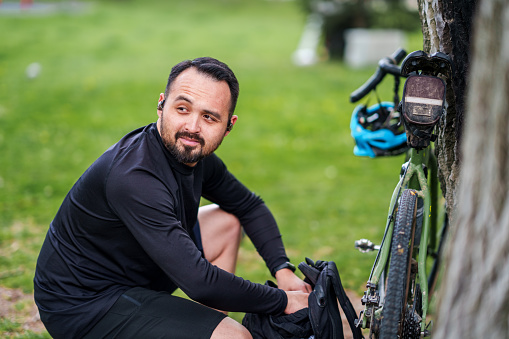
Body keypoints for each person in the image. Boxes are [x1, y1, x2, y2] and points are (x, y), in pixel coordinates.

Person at [34, 57, 311, 339]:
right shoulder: (134, 177)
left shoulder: (196, 157)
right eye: (182, 109)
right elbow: (200, 282)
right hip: (85, 306)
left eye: (209, 117)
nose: (192, 127)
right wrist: (285, 301)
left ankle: (206, 326)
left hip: (137, 279)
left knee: (226, 220)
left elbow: (248, 205)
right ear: (161, 104)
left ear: (229, 125)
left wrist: (282, 269)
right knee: (235, 337)